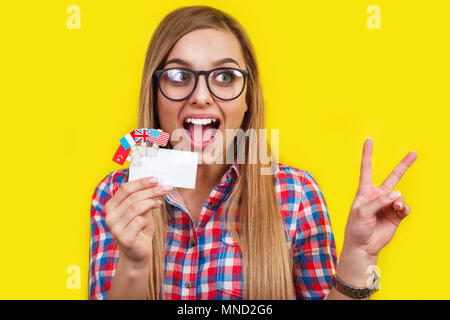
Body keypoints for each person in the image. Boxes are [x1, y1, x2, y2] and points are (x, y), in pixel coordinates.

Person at [88, 5, 417, 300]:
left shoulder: (296, 195)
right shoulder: (116, 196)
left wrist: (358, 259)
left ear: (247, 99)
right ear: (155, 93)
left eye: (225, 76)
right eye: (178, 76)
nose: (201, 96)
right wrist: (133, 264)